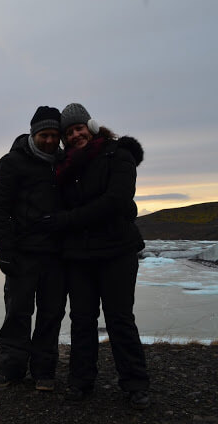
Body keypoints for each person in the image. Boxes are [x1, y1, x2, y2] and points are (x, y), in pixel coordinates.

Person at [40, 103, 150, 409]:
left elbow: (115, 201)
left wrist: (66, 220)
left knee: (119, 319)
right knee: (82, 320)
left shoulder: (118, 154)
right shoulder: (65, 167)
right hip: (79, 256)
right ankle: (81, 381)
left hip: (117, 252)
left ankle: (135, 383)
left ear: (92, 126)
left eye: (79, 128)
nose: (75, 135)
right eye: (69, 132)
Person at [0, 106, 67, 392]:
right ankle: (11, 369)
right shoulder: (12, 162)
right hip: (22, 253)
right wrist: (5, 251)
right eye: (44, 134)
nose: (49, 141)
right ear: (33, 134)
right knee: (17, 313)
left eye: (54, 136)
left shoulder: (64, 162)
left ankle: (44, 371)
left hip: (56, 255)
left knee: (51, 314)